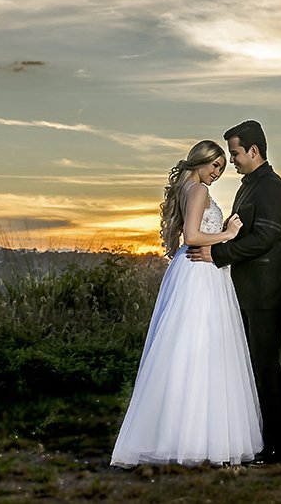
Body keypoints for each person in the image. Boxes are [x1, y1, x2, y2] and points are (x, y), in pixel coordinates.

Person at [110, 140, 262, 468]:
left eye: (222, 168)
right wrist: (228, 234)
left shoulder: (188, 189)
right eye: (215, 166)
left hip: (194, 270)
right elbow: (192, 237)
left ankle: (185, 435)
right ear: (201, 162)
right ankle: (198, 438)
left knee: (189, 350)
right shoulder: (198, 191)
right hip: (200, 272)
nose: (218, 173)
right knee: (200, 349)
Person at [187, 121, 281, 464]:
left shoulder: (272, 188)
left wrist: (216, 254)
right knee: (250, 370)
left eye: (234, 153)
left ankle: (279, 448)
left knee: (265, 368)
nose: (232, 160)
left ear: (254, 151)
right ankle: (257, 441)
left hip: (267, 293)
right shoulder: (250, 187)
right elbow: (237, 232)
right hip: (247, 291)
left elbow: (264, 238)